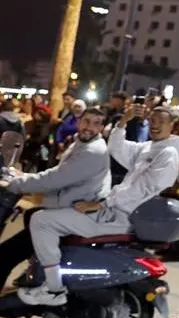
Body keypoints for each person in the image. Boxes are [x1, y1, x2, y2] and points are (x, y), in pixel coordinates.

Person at [16, 105, 179, 306]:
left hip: (120, 216)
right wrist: (123, 122)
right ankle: (42, 274)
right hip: (113, 209)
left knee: (42, 221)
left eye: (161, 121)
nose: (155, 125)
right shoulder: (151, 148)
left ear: (172, 125)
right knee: (46, 215)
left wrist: (101, 204)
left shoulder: (168, 153)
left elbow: (141, 189)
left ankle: (54, 289)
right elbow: (117, 148)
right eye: (153, 120)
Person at [0, 108, 110, 289]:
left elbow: (55, 180)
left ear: (102, 127)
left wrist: (14, 184)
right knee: (31, 215)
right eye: (86, 121)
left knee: (5, 254)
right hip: (65, 205)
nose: (89, 127)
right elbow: (57, 172)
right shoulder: (80, 143)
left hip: (69, 212)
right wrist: (20, 176)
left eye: (96, 123)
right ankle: (35, 273)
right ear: (78, 121)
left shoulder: (93, 151)